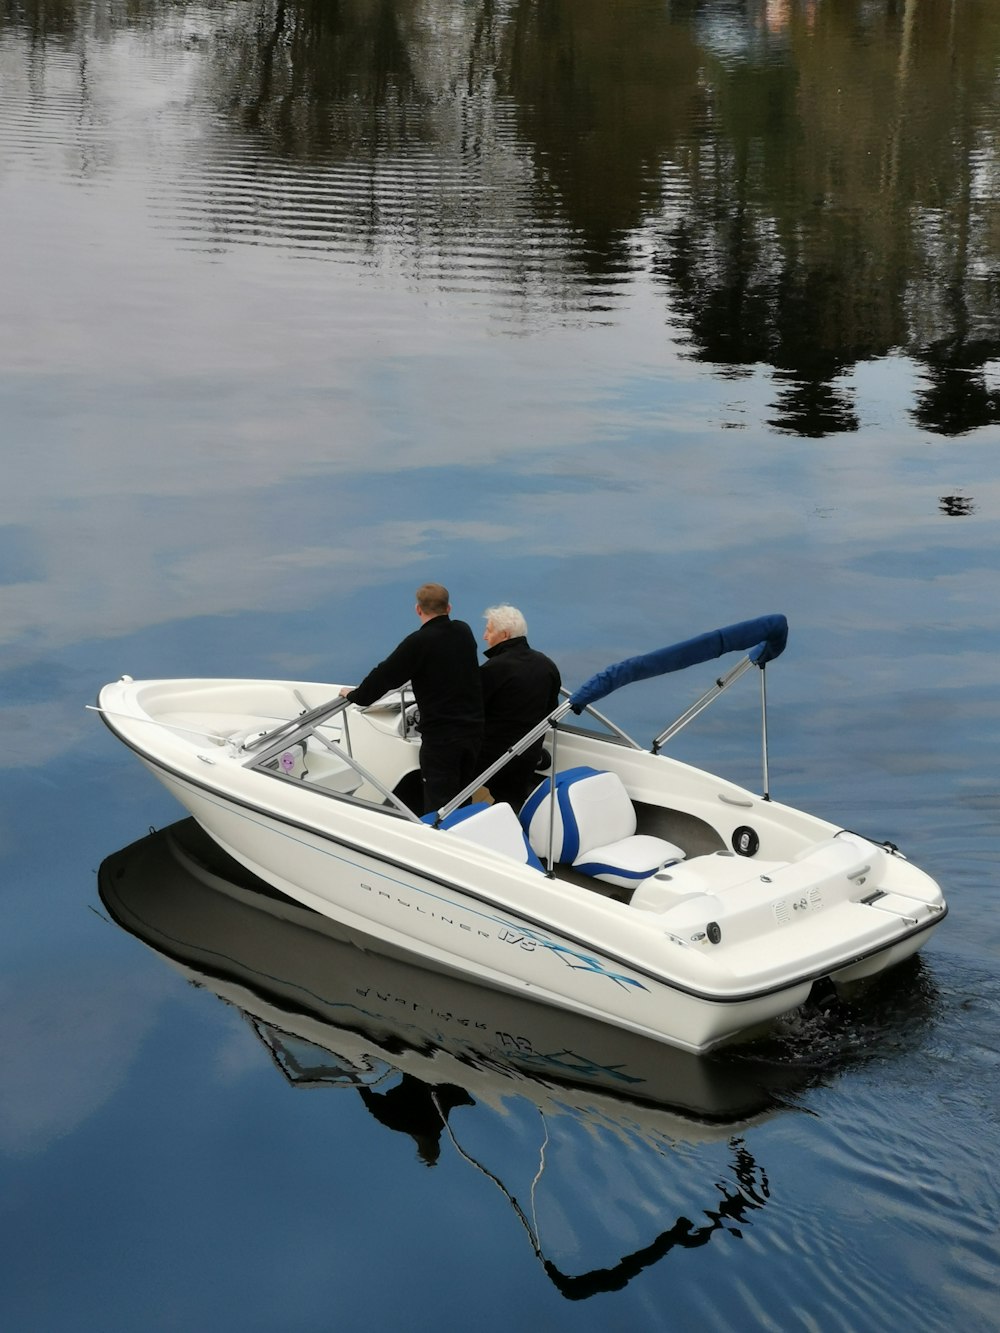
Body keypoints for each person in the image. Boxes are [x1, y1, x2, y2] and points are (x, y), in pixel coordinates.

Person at [340, 583, 483, 815]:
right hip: (473, 732)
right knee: (462, 796)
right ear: (449, 608)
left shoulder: (419, 642)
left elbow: (385, 675)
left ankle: (441, 847)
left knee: (440, 806)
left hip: (441, 739)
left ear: (418, 610)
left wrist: (356, 695)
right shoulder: (463, 631)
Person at [478, 604, 561, 811]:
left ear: (504, 634)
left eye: (488, 630)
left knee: (447, 772)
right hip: (529, 754)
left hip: (492, 759)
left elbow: (472, 713)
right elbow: (551, 710)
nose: (484, 636)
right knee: (511, 801)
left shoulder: (492, 669)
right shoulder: (547, 665)